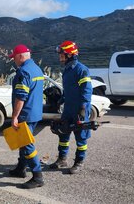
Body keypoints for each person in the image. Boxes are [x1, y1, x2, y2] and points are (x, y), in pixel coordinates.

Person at [49, 40, 93, 174]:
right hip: (68, 109)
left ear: (69, 55)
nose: (60, 57)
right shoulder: (67, 70)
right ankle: (62, 159)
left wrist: (83, 108)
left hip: (80, 109)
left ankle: (79, 162)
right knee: (63, 133)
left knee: (81, 137)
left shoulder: (81, 70)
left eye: (62, 54)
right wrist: (61, 99)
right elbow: (68, 90)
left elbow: (86, 90)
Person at [8, 44, 44, 189]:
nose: (13, 61)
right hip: (35, 113)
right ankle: (20, 168)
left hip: (25, 114)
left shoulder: (23, 72)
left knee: (27, 145)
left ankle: (38, 176)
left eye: (14, 58)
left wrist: (15, 116)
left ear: (20, 56)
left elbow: (21, 97)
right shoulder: (37, 69)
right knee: (23, 142)